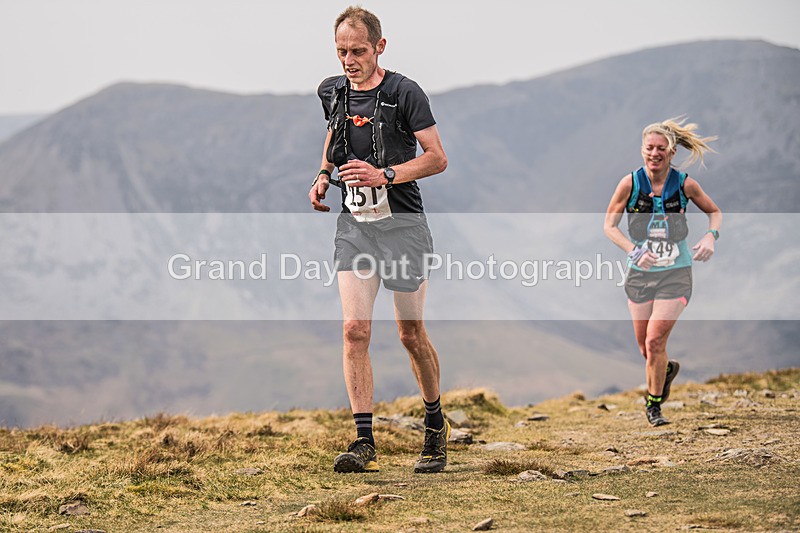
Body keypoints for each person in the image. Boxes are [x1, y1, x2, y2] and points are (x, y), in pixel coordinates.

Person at [308, 6, 449, 473]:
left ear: (380, 48)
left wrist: (384, 174)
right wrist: (324, 174)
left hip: (404, 225)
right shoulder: (332, 91)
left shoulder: (405, 93)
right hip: (355, 226)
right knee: (354, 330)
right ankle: (364, 440)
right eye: (342, 51)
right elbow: (334, 134)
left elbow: (437, 158)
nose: (349, 60)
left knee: (410, 334)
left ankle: (434, 427)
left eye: (358, 51)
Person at [604, 118, 722, 426]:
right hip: (640, 274)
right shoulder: (629, 183)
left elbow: (715, 212)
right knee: (645, 347)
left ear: (671, 152)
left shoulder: (685, 184)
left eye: (661, 148)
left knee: (656, 341)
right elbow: (609, 226)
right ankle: (666, 371)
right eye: (649, 148)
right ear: (642, 150)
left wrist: (711, 235)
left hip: (676, 273)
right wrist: (633, 250)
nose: (654, 153)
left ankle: (654, 405)